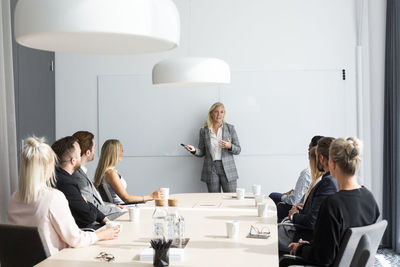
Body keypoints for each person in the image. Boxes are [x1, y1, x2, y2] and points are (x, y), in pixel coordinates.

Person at [8, 137, 119, 256]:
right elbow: (75, 239)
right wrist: (100, 235)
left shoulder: (14, 197)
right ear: (47, 168)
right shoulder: (53, 197)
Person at [287, 137, 380, 265]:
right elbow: (340, 246)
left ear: (333, 164)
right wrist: (311, 245)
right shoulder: (370, 198)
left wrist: (300, 248)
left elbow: (323, 258)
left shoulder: (333, 205)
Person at [278, 137, 338, 252]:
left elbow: (312, 221)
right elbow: (319, 212)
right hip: (309, 235)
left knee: (269, 239)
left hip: (304, 238)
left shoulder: (328, 182)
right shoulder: (329, 180)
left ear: (321, 157)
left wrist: (293, 216)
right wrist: (304, 208)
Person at [52, 136, 108, 229]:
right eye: (79, 154)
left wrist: (104, 219)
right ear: (73, 161)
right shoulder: (66, 183)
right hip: (80, 232)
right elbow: (88, 216)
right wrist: (85, 203)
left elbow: (87, 206)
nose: (81, 155)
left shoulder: (60, 176)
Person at [184, 102, 241, 193]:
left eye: (222, 112)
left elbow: (238, 149)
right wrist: (194, 150)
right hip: (211, 169)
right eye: (216, 112)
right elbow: (202, 152)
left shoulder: (230, 128)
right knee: (214, 199)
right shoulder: (204, 130)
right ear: (211, 113)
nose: (219, 115)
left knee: (231, 197)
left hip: (227, 168)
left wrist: (230, 146)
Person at [269, 136, 323, 222]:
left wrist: (285, 196)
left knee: (273, 196)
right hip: (302, 207)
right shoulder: (325, 175)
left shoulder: (307, 173)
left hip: (298, 209)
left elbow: (294, 200)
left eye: (309, 148)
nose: (308, 151)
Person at [93, 139, 162, 204]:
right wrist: (151, 196)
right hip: (121, 210)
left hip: (120, 208)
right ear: (115, 153)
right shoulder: (111, 173)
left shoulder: (105, 172)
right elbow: (126, 198)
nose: (123, 152)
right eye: (121, 150)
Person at [72, 131, 123, 216]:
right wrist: (116, 209)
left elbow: (97, 203)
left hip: (105, 212)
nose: (95, 151)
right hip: (99, 220)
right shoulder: (79, 177)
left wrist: (114, 206)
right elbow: (92, 206)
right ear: (88, 152)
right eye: (94, 148)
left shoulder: (82, 173)